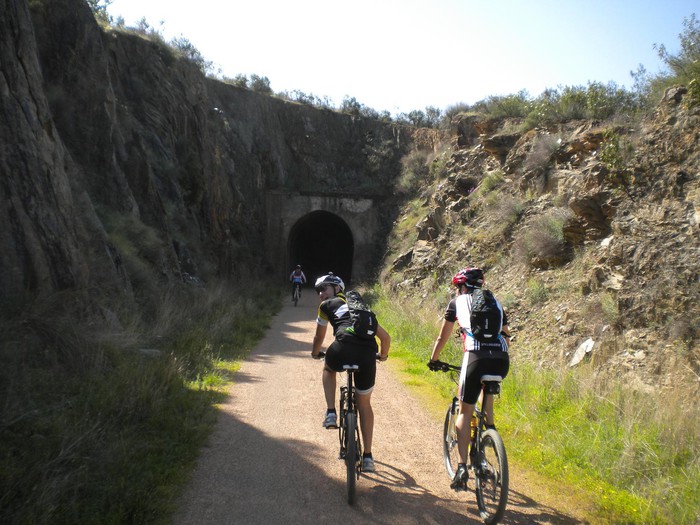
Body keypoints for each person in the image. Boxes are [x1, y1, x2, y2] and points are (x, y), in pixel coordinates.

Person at [428, 267, 511, 490]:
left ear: (462, 287)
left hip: (475, 357)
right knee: (487, 389)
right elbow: (506, 338)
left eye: (457, 287)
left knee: (465, 411)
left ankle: (462, 467)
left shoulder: (457, 303)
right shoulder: (497, 304)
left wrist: (433, 359)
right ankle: (490, 431)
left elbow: (442, 336)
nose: (457, 291)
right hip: (501, 360)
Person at [311, 273, 391, 473]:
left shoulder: (326, 306)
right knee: (364, 404)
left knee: (328, 368)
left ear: (338, 289)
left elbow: (318, 337)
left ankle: (331, 413)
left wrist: (315, 353)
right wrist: (383, 356)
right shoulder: (362, 309)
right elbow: (385, 337)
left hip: (342, 348)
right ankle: (368, 457)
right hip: (367, 355)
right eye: (319, 291)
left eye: (325, 288)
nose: (321, 294)